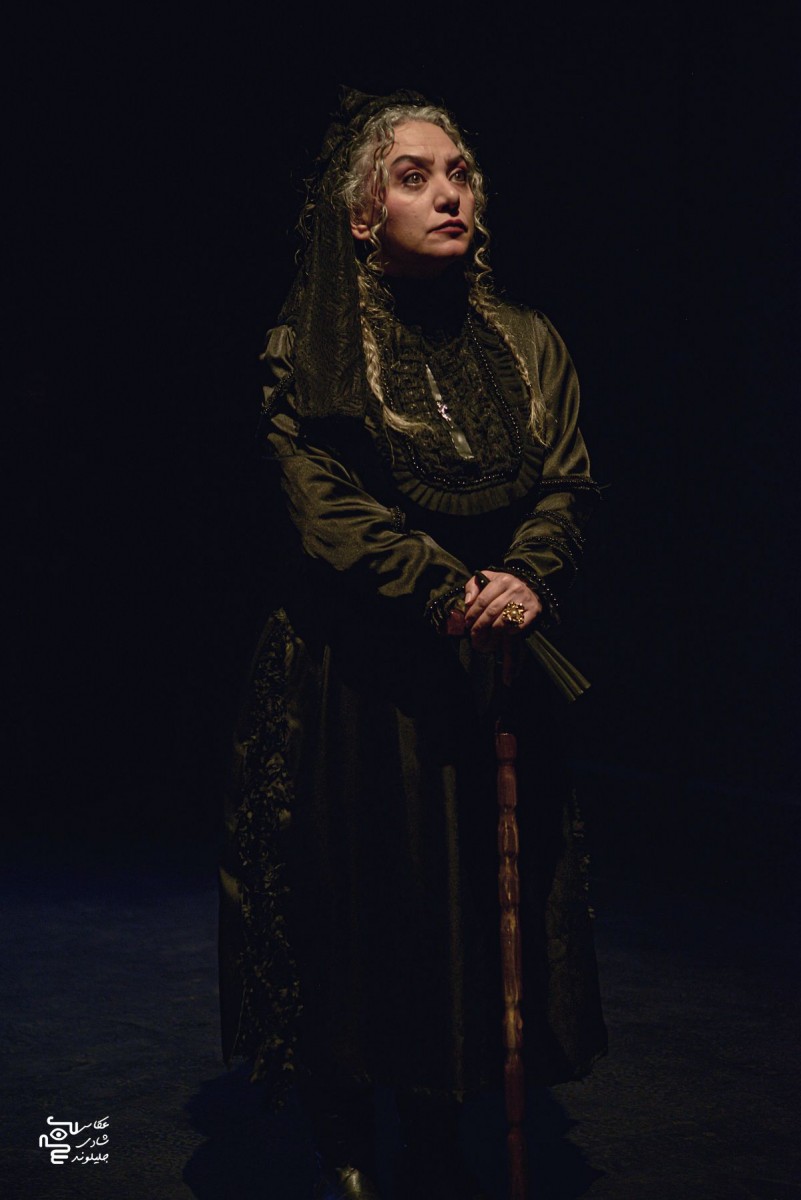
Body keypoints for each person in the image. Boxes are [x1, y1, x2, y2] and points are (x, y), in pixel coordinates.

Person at [219, 86, 607, 1200]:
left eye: (460, 174)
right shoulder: (313, 347)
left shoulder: (527, 343)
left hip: (490, 667)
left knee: (472, 912)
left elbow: (566, 486)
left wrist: (523, 577)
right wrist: (447, 588)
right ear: (359, 215)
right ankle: (347, 1124)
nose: (448, 194)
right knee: (364, 905)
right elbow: (325, 511)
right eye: (414, 176)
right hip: (359, 675)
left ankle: (444, 1119)